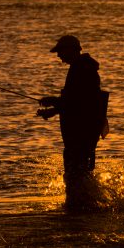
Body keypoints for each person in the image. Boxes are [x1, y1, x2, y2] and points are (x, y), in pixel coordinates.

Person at [37, 35, 108, 211]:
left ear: (71, 49)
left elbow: (78, 101)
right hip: (83, 129)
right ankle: (85, 203)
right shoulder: (81, 67)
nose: (58, 56)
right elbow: (74, 101)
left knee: (75, 171)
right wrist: (53, 111)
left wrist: (53, 100)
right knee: (80, 170)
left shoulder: (81, 69)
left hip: (81, 132)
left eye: (60, 51)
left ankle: (80, 206)